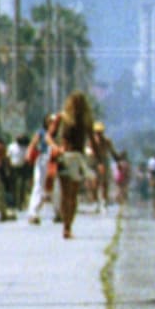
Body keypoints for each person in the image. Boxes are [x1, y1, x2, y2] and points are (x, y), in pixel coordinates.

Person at [49, 91, 97, 240]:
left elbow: (92, 140)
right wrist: (56, 147)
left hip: (78, 158)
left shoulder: (86, 121)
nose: (77, 106)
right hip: (65, 157)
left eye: (80, 103)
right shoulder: (62, 117)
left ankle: (69, 224)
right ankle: (66, 226)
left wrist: (98, 160)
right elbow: (49, 135)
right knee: (65, 193)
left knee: (73, 194)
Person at [24, 112, 59, 225]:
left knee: (57, 187)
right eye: (50, 122)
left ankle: (59, 212)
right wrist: (29, 153)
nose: (52, 124)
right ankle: (33, 213)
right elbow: (33, 143)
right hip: (43, 160)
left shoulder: (59, 135)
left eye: (54, 122)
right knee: (39, 185)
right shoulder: (41, 132)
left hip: (56, 161)